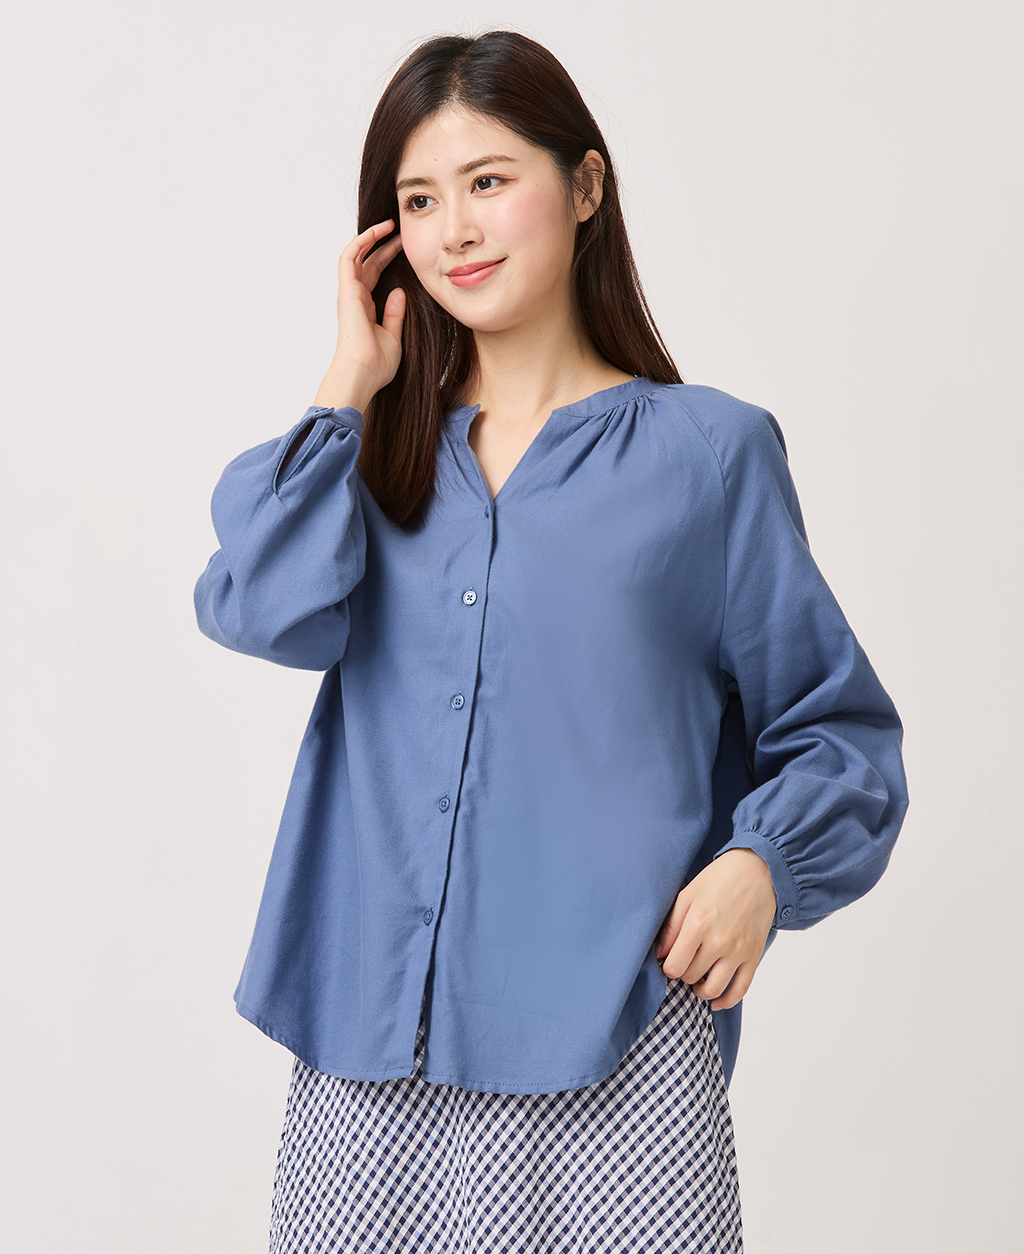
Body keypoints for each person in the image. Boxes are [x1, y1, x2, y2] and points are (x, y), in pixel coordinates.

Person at [193, 28, 910, 1254]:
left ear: (584, 187)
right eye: (421, 199)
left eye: (487, 181)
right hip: (371, 1059)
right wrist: (348, 382)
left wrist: (762, 867)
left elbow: (837, 732)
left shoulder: (709, 457)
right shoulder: (366, 463)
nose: (455, 230)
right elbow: (259, 610)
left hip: (617, 1057)